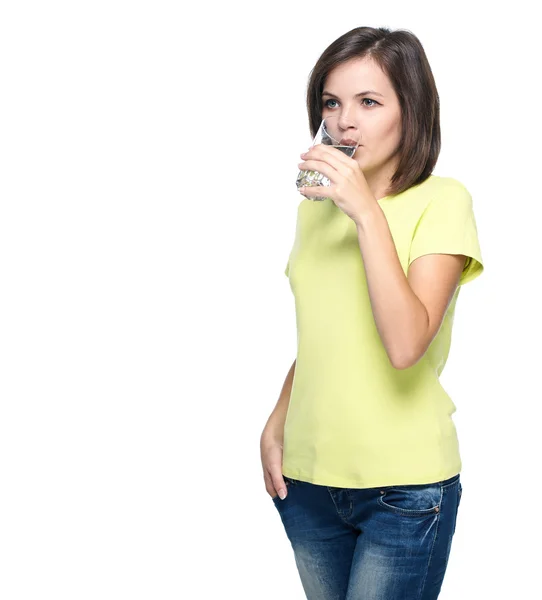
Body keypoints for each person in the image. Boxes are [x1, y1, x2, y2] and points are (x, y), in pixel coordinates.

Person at [259, 26, 484, 600]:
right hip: (308, 482)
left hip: (403, 490)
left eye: (369, 102)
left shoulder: (442, 200)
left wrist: (366, 212)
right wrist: (276, 420)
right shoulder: (315, 213)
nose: (343, 122)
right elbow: (325, 336)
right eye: (331, 102)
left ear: (412, 110)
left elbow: (406, 343)